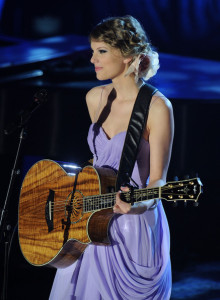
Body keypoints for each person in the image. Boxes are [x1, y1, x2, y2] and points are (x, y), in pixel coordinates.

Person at [49, 15, 174, 299]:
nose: (93, 58)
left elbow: (158, 181)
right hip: (90, 219)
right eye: (93, 51)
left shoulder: (158, 108)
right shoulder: (95, 98)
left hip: (133, 226)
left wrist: (138, 206)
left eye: (102, 51)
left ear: (128, 56)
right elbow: (98, 162)